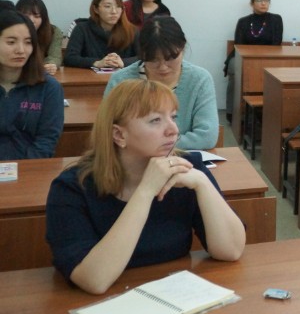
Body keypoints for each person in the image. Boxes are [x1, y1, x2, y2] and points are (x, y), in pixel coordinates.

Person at [45, 79, 245, 294]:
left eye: (174, 117)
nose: (173, 130)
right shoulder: (72, 188)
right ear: (119, 135)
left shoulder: (188, 168)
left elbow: (231, 251)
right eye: (155, 120)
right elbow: (94, 280)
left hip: (176, 294)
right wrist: (146, 191)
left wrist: (203, 184)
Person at [104, 17, 218, 150]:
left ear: (183, 49)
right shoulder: (120, 81)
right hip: (132, 162)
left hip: (183, 161)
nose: (163, 67)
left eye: (171, 58)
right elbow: (106, 131)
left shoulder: (200, 79)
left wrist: (147, 143)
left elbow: (207, 136)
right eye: (153, 60)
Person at [0, 10, 64, 160]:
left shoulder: (49, 88)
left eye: (28, 42)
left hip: (28, 169)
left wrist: (24, 171)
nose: (21, 50)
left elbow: (47, 141)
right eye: (11, 42)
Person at [64, 0, 139, 69]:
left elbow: (144, 57)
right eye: (107, 6)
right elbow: (69, 58)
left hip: (123, 79)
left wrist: (123, 62)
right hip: (89, 78)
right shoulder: (82, 29)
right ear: (96, 9)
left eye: (118, 6)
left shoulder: (132, 30)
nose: (114, 11)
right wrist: (97, 62)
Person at [16, 0, 63, 74]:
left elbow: (55, 56)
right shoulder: (9, 31)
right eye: (26, 16)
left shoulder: (53, 31)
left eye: (37, 16)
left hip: (40, 74)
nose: (31, 20)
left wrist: (50, 64)